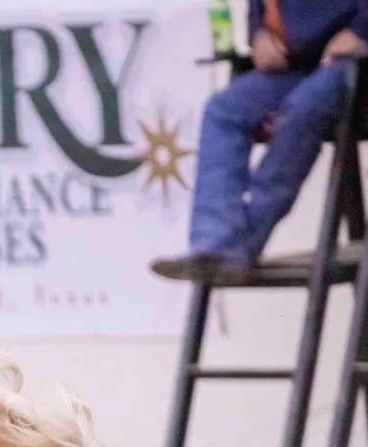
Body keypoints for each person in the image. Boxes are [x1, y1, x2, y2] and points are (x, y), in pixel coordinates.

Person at [154, 0, 368, 282]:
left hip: (354, 65)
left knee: (302, 109)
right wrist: (259, 35)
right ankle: (213, 240)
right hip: (299, 66)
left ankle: (244, 238)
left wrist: (361, 32)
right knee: (223, 110)